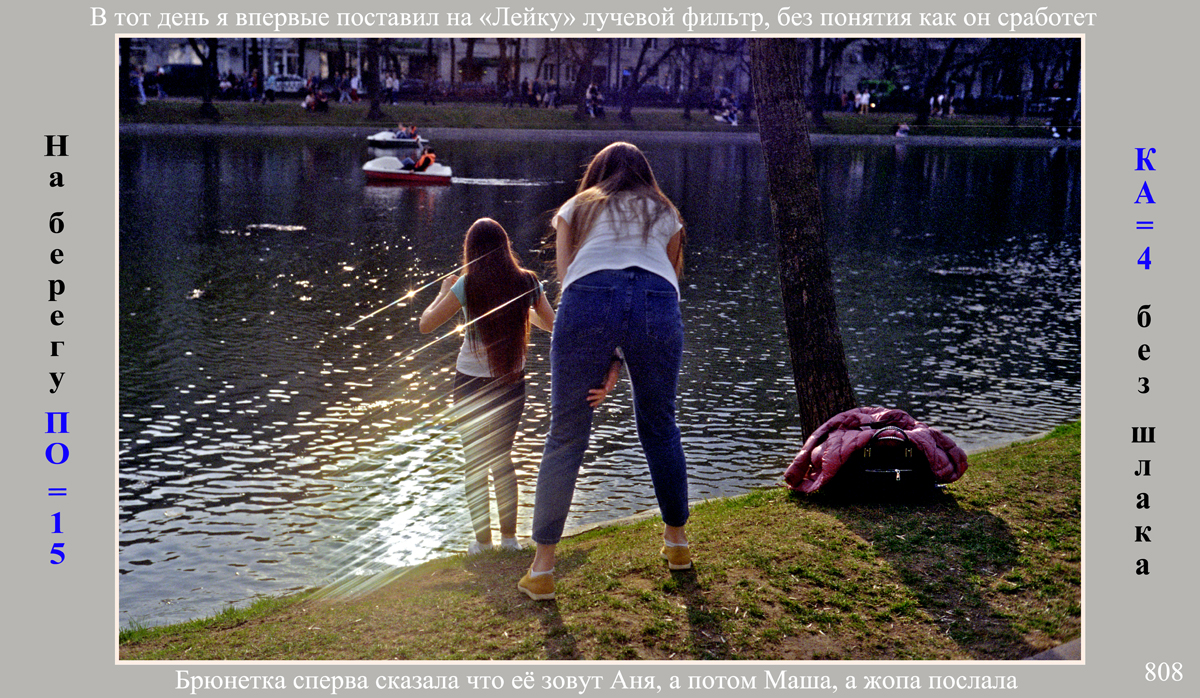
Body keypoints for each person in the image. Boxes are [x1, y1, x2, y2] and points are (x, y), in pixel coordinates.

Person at [519, 142, 690, 601]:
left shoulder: (577, 206)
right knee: (660, 425)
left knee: (566, 433)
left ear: (595, 172)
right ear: (645, 175)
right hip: (657, 300)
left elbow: (567, 278)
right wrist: (617, 352)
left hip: (588, 295)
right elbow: (666, 275)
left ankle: (542, 569)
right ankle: (677, 543)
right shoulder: (666, 212)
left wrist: (605, 349)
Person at [419, 218, 556, 555]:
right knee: (503, 459)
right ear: (505, 247)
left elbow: (426, 325)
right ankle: (509, 541)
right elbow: (554, 325)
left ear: (472, 250)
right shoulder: (527, 282)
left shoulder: (467, 285)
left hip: (469, 382)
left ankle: (482, 544)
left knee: (475, 462)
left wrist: (442, 292)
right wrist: (525, 309)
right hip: (511, 383)